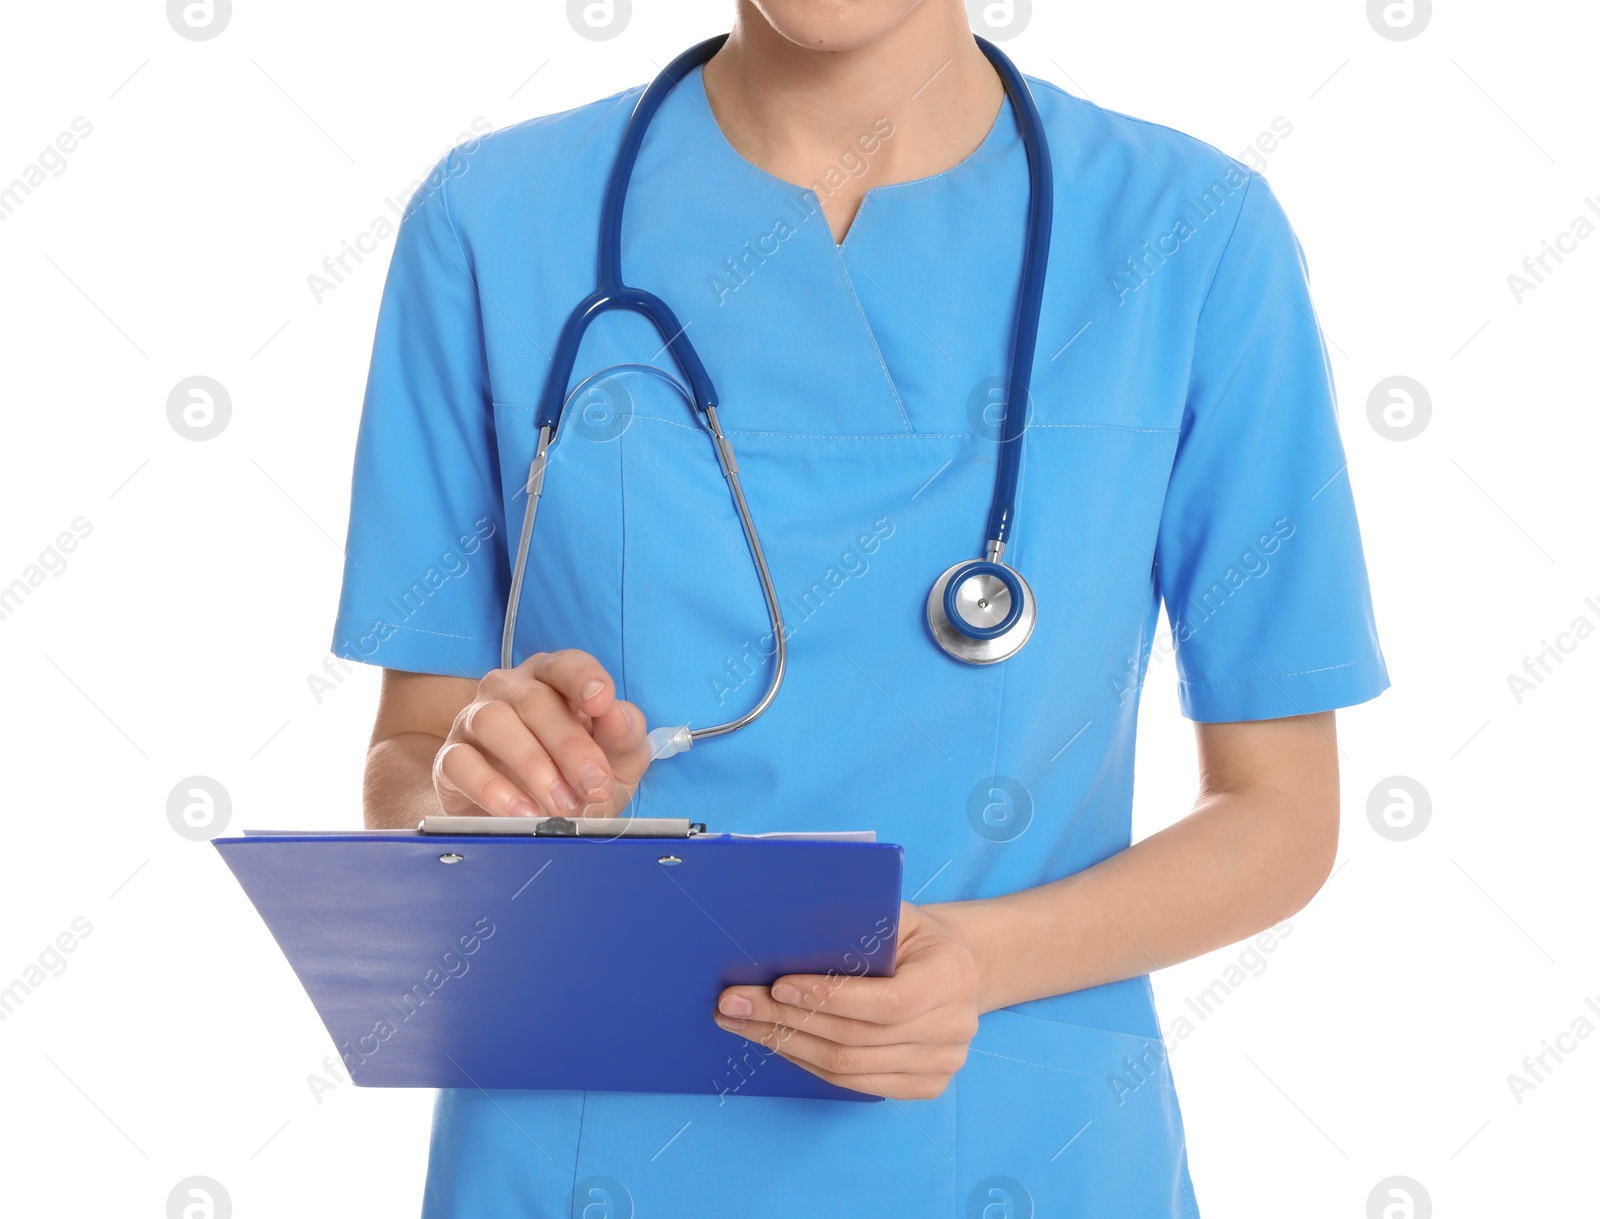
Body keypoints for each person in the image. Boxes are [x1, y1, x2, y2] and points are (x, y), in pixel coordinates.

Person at [334, 1, 1388, 1214]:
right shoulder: (491, 219)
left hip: (1014, 1138)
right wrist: (493, 793)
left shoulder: (1192, 235)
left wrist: (980, 961)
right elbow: (412, 756)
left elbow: (1282, 813)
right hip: (588, 1152)